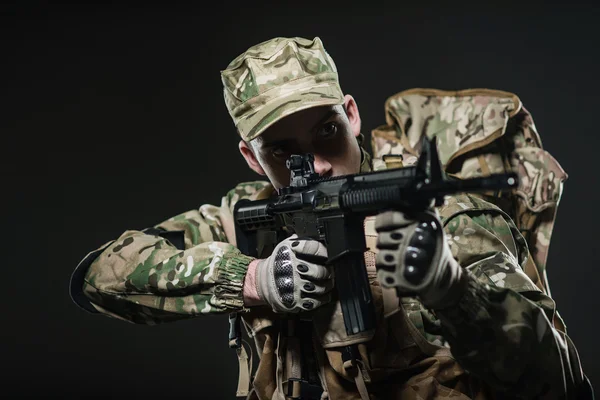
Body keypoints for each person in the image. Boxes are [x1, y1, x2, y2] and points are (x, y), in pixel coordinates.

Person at [69, 36, 593, 399]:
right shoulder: (246, 215)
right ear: (252, 159)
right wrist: (249, 278)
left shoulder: (446, 220)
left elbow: (563, 383)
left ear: (352, 115)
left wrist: (452, 289)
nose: (316, 165)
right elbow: (99, 277)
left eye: (326, 131)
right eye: (282, 152)